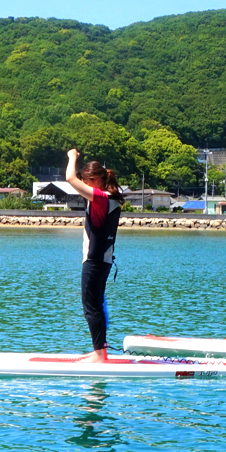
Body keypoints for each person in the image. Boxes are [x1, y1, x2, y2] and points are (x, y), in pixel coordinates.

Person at [65, 148, 125, 362]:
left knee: (90, 307)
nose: (86, 186)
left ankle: (99, 354)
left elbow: (69, 177)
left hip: (95, 261)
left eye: (88, 181)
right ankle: (101, 351)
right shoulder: (111, 198)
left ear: (98, 179)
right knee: (96, 306)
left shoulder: (100, 198)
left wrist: (72, 157)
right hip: (105, 260)